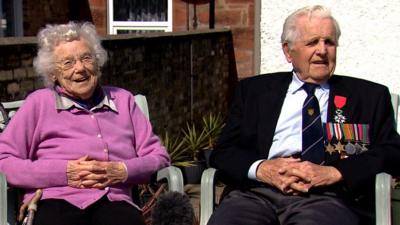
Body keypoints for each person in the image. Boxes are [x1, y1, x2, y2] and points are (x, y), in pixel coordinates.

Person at [208, 5, 400, 225]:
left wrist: (335, 172)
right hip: (255, 195)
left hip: (329, 199)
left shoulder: (368, 97)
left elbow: (392, 152)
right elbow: (223, 151)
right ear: (288, 52)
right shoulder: (255, 92)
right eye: (312, 42)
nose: (322, 50)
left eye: (329, 42)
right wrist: (262, 168)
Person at [0, 22, 170, 225]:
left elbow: (158, 157)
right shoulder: (39, 103)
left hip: (114, 202)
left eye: (86, 58)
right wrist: (64, 173)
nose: (79, 68)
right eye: (68, 63)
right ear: (53, 73)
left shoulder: (122, 100)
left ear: (97, 62)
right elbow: (4, 161)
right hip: (54, 200)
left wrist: (122, 170)